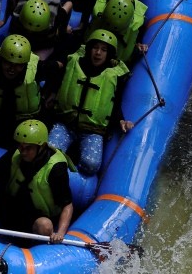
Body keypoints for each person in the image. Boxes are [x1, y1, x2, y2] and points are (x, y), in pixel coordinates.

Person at [0, 120, 74, 244]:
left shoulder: (56, 168)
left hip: (35, 216)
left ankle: (28, 246)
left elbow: (67, 205)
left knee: (45, 226)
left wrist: (60, 233)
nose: (22, 151)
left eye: (28, 148)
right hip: (12, 206)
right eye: (21, 146)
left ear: (42, 147)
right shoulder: (17, 152)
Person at [47, 28, 132, 177]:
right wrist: (51, 94)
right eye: (95, 48)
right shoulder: (73, 63)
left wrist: (120, 120)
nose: (98, 53)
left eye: (103, 50)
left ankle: (76, 175)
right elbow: (57, 82)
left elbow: (114, 103)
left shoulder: (113, 76)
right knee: (50, 152)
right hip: (66, 124)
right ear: (89, 49)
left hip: (92, 131)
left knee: (91, 165)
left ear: (109, 54)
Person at [0, 0, 72, 63]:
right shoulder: (17, 7)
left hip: (42, 40)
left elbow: (69, 4)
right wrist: (3, 21)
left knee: (37, 61)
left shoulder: (57, 16)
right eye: (27, 28)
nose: (30, 32)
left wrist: (64, 28)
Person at [83, 0, 149, 65]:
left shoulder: (132, 29)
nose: (98, 52)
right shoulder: (96, 14)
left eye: (104, 49)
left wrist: (137, 48)